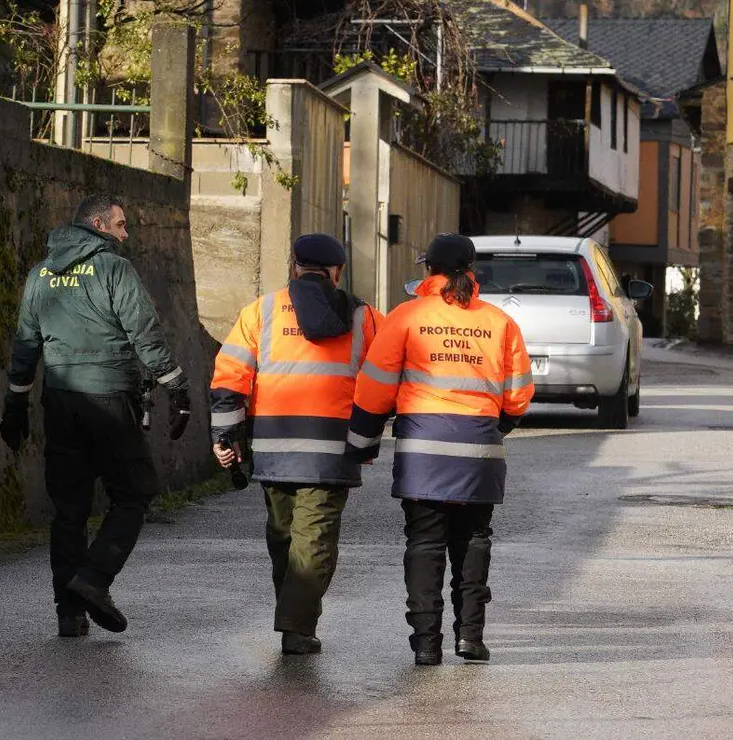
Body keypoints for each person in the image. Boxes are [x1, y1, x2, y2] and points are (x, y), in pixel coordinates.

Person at [0, 193, 192, 637]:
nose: (126, 234)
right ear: (100, 225)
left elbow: (26, 345)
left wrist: (15, 405)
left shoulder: (40, 275)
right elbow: (143, 331)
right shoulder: (113, 269)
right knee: (135, 490)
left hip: (61, 401)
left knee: (69, 507)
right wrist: (177, 387)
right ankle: (93, 578)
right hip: (108, 397)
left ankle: (69, 614)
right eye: (122, 225)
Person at [347, 233, 533, 666]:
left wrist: (363, 442)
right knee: (473, 540)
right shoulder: (499, 322)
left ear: (428, 269)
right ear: (471, 271)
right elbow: (520, 393)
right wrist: (495, 427)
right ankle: (470, 638)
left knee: (425, 543)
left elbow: (373, 388)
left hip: (422, 451)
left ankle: (426, 645)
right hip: (480, 450)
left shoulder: (407, 317)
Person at [209, 234, 382, 655]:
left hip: (273, 446)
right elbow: (383, 381)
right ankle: (296, 626)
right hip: (332, 450)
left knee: (282, 536)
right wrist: (370, 437)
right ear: (337, 271)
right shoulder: (365, 318)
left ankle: (294, 622)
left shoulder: (260, 312)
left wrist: (224, 437)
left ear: (294, 266)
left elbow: (230, 378)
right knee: (313, 539)